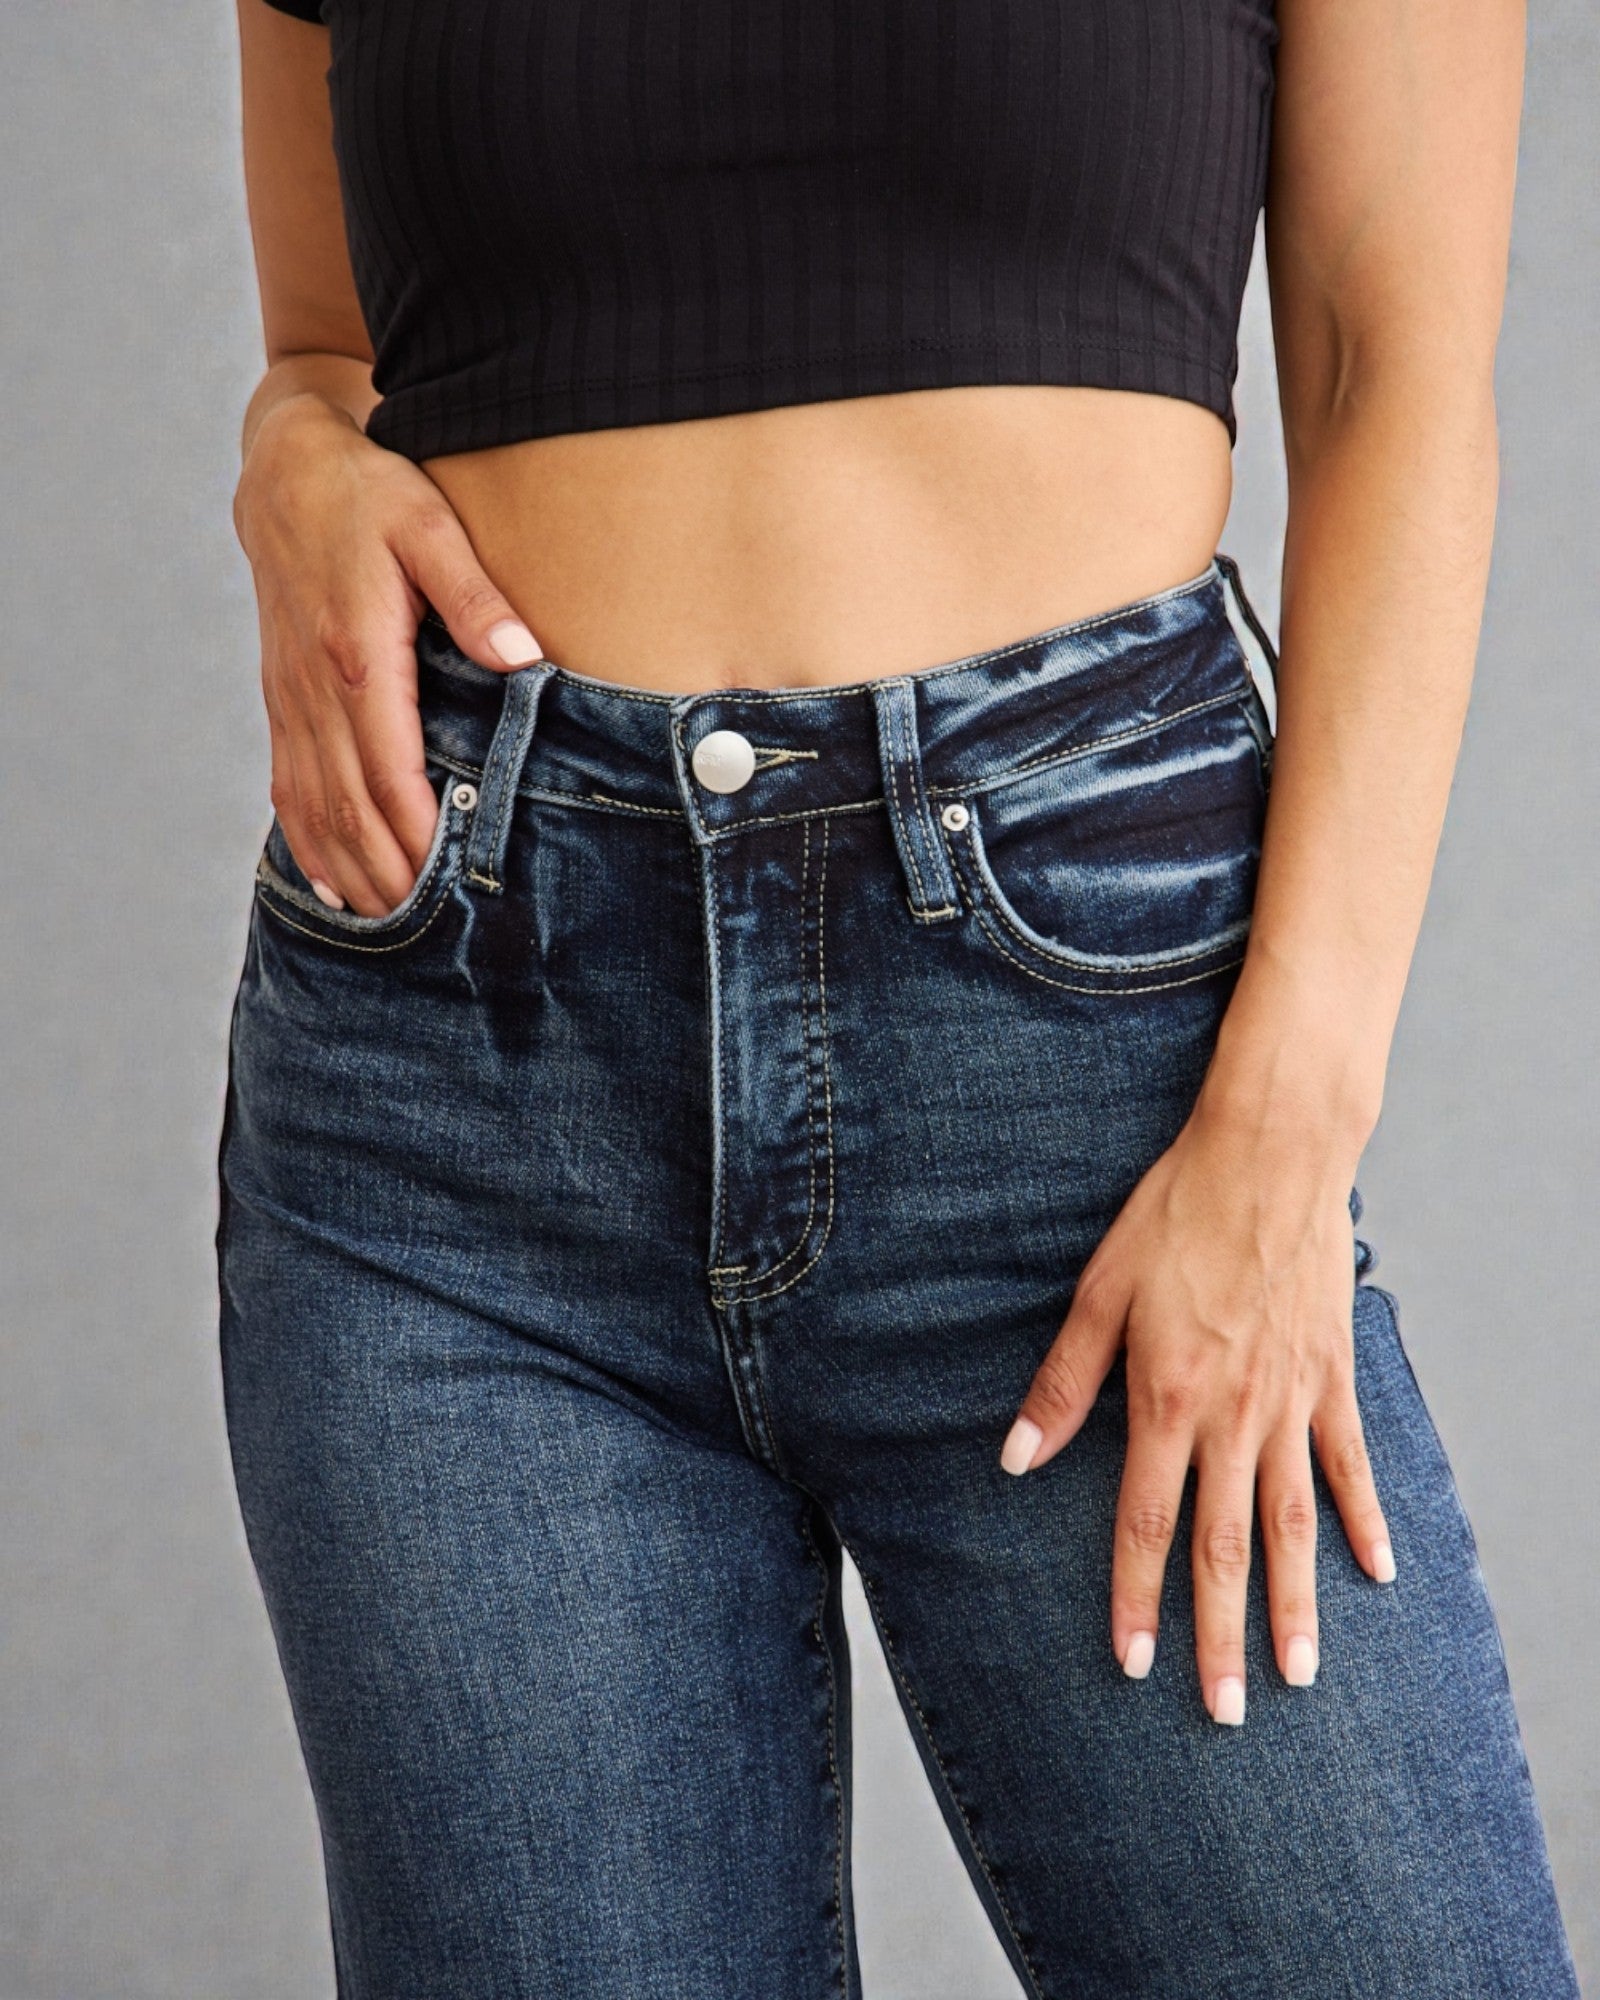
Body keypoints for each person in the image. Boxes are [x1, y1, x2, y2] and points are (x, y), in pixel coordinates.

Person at [215, 0, 1579, 1993]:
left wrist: (1284, 1127)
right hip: (459, 1084)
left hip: (1088, 1089)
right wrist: (288, 448)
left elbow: (1396, 370)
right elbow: (331, 352)